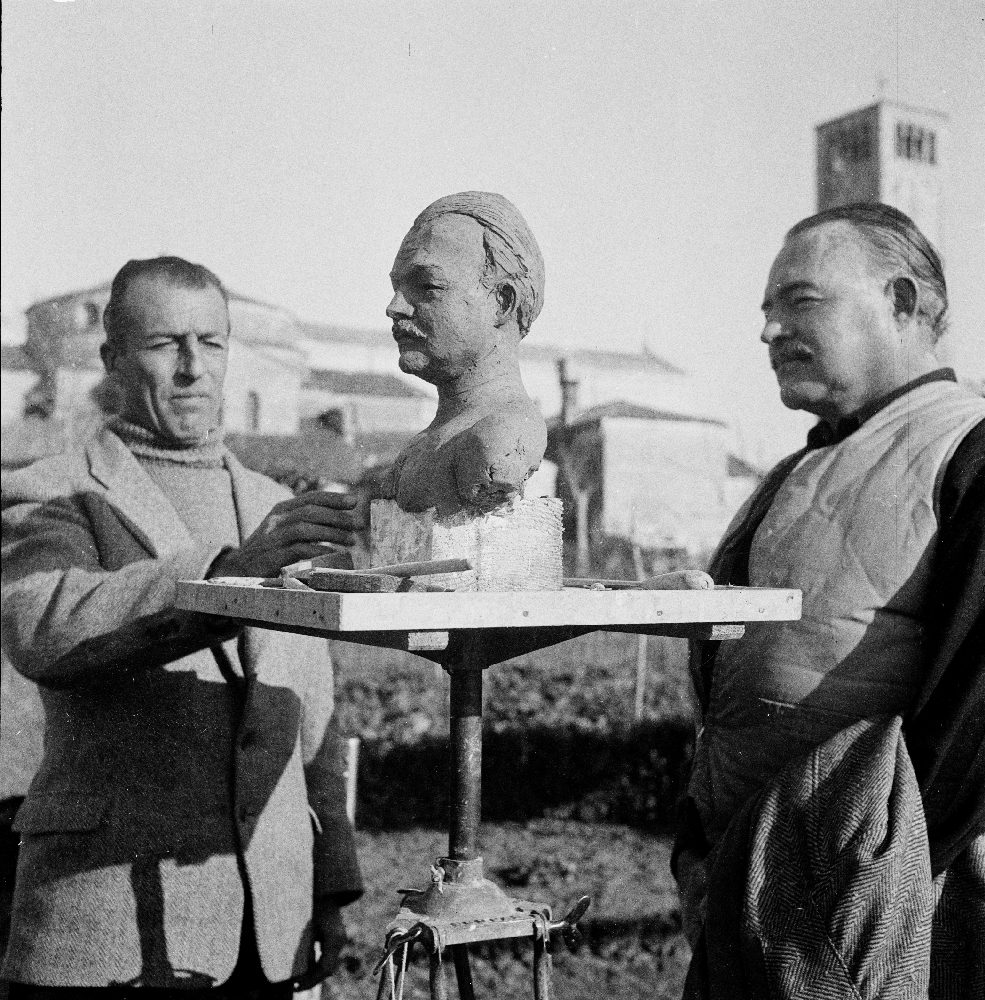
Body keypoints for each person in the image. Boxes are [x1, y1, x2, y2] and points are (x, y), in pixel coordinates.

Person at [0, 257, 364, 997]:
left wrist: (328, 887)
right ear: (112, 359)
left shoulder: (273, 503)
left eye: (213, 342)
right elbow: (43, 627)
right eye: (166, 343)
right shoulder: (50, 492)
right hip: (101, 928)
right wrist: (227, 574)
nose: (194, 367)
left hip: (266, 932)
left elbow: (310, 715)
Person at [674, 204, 984, 997]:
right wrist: (701, 853)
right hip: (746, 900)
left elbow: (972, 724)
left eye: (800, 301)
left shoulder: (969, 450)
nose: (771, 330)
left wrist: (845, 888)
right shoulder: (786, 476)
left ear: (904, 303)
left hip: (885, 924)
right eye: (766, 311)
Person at [382, 191, 547, 516]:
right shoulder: (420, 447)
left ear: (502, 302)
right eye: (396, 289)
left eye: (428, 286)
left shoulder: (497, 440)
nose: (394, 308)